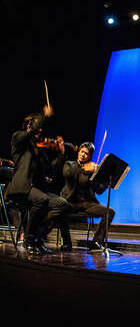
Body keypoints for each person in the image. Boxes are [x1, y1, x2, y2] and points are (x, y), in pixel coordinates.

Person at [6, 106, 72, 254]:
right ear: (30, 126)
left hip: (37, 189)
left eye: (41, 127)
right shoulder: (18, 139)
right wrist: (44, 116)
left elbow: (50, 168)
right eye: (38, 127)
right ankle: (29, 239)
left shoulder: (38, 149)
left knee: (63, 205)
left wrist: (61, 154)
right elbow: (29, 133)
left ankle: (38, 237)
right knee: (41, 199)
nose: (41, 130)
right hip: (22, 187)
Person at [61, 142, 115, 250]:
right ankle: (67, 242)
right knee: (60, 209)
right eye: (82, 152)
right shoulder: (70, 164)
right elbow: (67, 173)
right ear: (78, 152)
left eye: (86, 153)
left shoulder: (91, 171)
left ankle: (96, 242)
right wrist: (84, 169)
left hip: (87, 204)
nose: (83, 155)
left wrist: (107, 181)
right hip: (70, 202)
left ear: (89, 156)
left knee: (110, 212)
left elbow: (98, 190)